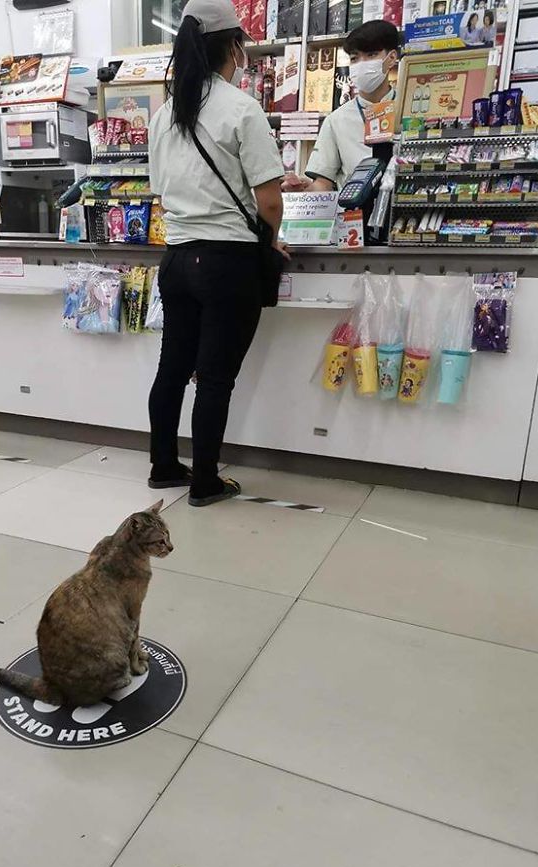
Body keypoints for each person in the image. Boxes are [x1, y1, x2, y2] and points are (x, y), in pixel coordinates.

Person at [147, 0, 286, 507]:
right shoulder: (240, 108)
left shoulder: (164, 115)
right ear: (233, 46)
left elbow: (163, 190)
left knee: (172, 370)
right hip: (227, 262)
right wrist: (268, 239)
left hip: (177, 260)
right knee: (215, 378)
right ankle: (206, 481)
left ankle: (163, 465)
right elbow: (269, 199)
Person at [283, 20, 399, 193]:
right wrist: (300, 191)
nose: (362, 63)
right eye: (354, 58)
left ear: (391, 58)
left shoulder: (408, 109)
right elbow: (323, 184)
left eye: (371, 54)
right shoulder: (336, 120)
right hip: (354, 215)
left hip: (408, 213)